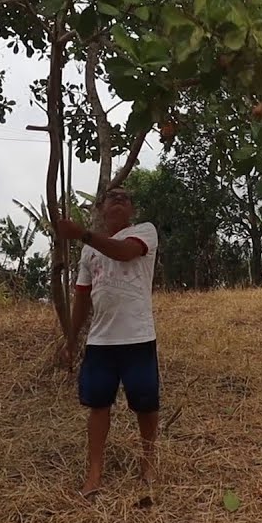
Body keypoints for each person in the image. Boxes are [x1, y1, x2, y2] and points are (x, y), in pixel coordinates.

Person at [54, 186, 160, 499]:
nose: (117, 199)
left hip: (138, 335)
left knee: (145, 404)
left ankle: (148, 462)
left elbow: (124, 252)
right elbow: (82, 298)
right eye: (110, 197)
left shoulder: (144, 232)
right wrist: (71, 339)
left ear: (132, 209)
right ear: (100, 210)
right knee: (98, 406)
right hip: (100, 341)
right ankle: (94, 472)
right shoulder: (88, 252)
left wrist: (80, 234)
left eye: (125, 197)